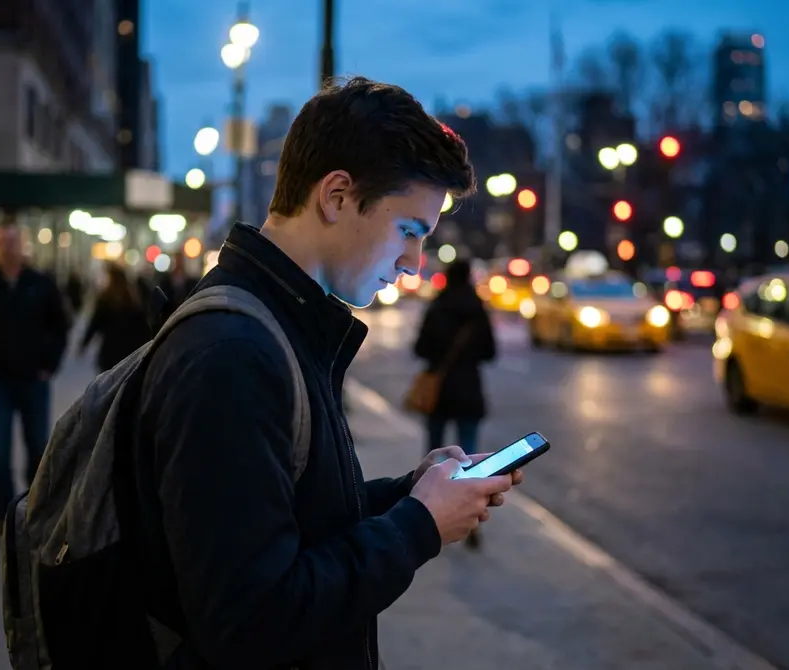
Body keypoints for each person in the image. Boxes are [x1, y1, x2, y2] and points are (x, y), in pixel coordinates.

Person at [133, 76, 520, 668]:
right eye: (409, 231)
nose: (414, 264)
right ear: (337, 196)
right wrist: (419, 526)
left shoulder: (274, 323)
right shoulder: (233, 352)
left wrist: (409, 494)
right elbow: (252, 620)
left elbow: (285, 519)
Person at [0, 223, 69, 535]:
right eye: (2, 243)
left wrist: (49, 364)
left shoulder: (40, 283)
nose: (7, 248)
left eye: (12, 242)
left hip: (33, 380)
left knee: (38, 448)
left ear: (21, 245)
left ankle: (36, 511)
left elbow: (60, 326)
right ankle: (4, 516)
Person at [413, 258, 497, 547]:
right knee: (469, 457)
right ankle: (471, 523)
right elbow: (490, 351)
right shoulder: (477, 310)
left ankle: (424, 513)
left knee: (435, 453)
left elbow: (420, 347)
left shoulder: (438, 307)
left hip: (440, 392)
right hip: (469, 389)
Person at [78, 263, 150, 372]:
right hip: (130, 352)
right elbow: (143, 328)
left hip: (110, 352)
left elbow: (95, 324)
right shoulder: (133, 301)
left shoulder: (105, 300)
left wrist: (84, 344)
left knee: (108, 384)